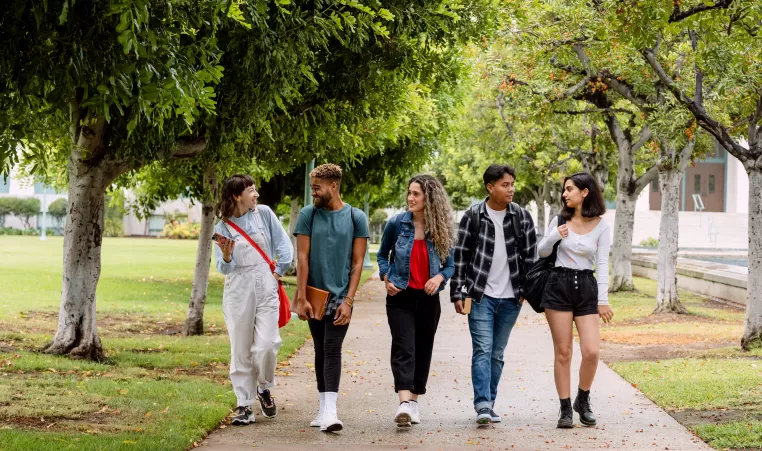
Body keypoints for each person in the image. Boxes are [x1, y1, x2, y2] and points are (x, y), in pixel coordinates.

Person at [450, 164, 538, 425]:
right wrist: (458, 291)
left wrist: (526, 293)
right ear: (490, 187)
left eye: (512, 184)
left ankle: (490, 402)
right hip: (480, 297)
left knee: (497, 353)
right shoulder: (473, 216)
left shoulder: (522, 216)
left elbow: (531, 259)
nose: (511, 189)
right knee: (482, 349)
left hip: (512, 298)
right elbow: (461, 257)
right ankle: (483, 405)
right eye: (505, 185)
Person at [293, 163, 369, 433]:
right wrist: (301, 297)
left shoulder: (356, 217)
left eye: (317, 188)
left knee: (332, 348)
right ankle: (323, 409)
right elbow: (302, 257)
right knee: (320, 349)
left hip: (340, 297)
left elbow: (358, 263)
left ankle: (331, 411)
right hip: (314, 295)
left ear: (333, 186)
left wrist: (349, 301)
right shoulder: (308, 215)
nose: (313, 193)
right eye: (312, 187)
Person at [213, 174, 294, 425]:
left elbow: (284, 247)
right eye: (251, 190)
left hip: (266, 283)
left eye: (255, 189)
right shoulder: (222, 227)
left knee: (267, 344)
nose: (256, 194)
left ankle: (263, 387)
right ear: (237, 196)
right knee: (240, 348)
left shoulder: (265, 213)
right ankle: (244, 404)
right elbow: (222, 267)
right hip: (238, 289)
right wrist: (227, 256)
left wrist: (278, 272)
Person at [377, 175, 455, 428]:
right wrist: (386, 277)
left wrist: (440, 277)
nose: (410, 198)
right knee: (404, 347)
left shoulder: (441, 227)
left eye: (416, 194)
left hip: (428, 299)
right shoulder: (397, 224)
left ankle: (413, 402)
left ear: (429, 198)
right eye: (409, 193)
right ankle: (403, 404)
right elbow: (382, 255)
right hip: (400, 296)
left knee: (423, 350)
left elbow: (451, 265)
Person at [537, 172, 613, 429]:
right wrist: (556, 235)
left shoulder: (601, 225)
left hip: (586, 287)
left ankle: (583, 398)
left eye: (569, 189)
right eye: (564, 189)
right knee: (563, 351)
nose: (565, 193)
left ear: (585, 192)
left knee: (591, 351)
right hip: (558, 286)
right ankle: (565, 408)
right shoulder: (560, 220)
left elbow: (602, 264)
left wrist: (603, 300)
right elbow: (542, 251)